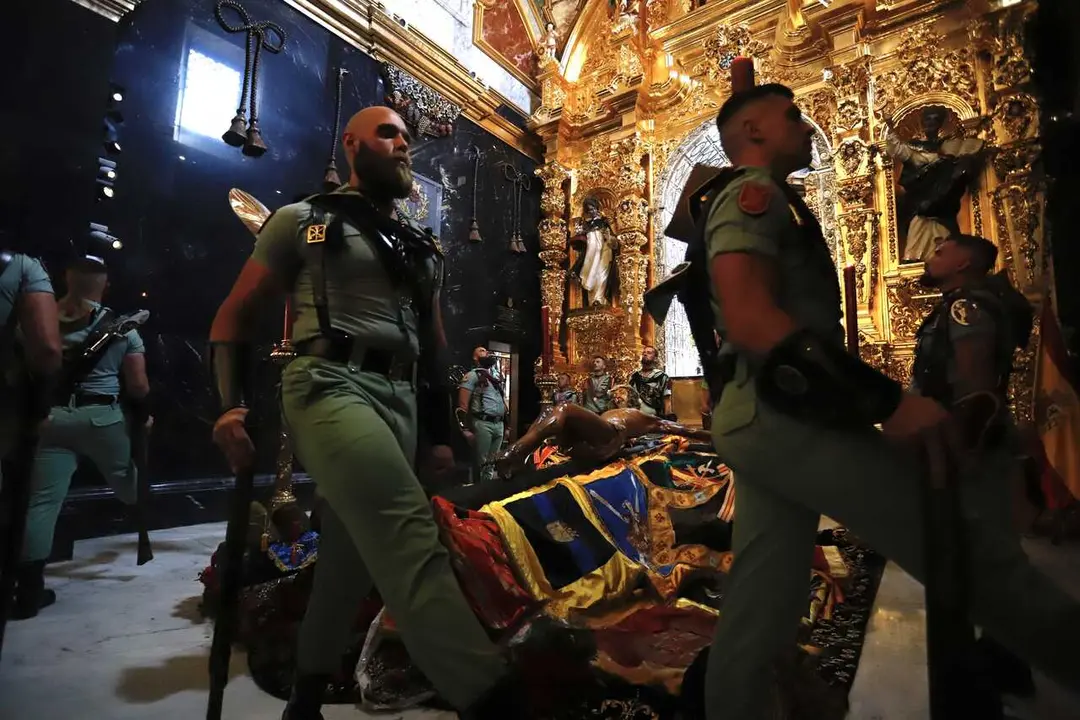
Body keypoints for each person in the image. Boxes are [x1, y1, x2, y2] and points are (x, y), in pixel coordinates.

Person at [668, 69, 1080, 719]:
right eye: (792, 115)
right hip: (788, 417)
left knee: (761, 606)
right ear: (752, 130)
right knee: (961, 552)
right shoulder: (753, 193)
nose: (806, 127)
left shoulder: (770, 196)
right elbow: (750, 321)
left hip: (766, 415)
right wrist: (888, 403)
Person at [209, 106, 534, 719]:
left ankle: (304, 696)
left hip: (404, 397)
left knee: (350, 559)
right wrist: (228, 406)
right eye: (388, 134)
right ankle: (493, 698)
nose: (404, 145)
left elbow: (435, 345)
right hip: (329, 383)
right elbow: (235, 314)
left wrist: (440, 433)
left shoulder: (420, 246)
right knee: (407, 531)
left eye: (408, 137)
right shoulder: (302, 221)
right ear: (351, 145)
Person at [911, 234, 1038, 705]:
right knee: (977, 549)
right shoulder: (964, 302)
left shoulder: (966, 307)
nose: (931, 255)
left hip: (969, 443)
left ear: (964, 263)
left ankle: (1005, 658)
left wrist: (959, 448)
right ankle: (1003, 656)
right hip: (965, 441)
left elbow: (974, 381)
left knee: (985, 550)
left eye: (941, 250)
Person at [14, 255, 150, 619]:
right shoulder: (124, 329)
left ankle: (28, 592)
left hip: (51, 419)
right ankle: (143, 519)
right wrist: (142, 418)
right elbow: (138, 386)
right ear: (104, 285)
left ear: (66, 279)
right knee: (127, 481)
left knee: (41, 503)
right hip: (102, 418)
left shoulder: (34, 321)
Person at [494, 392, 711, 478]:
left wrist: (717, 437)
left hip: (609, 439)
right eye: (615, 394)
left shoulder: (642, 417)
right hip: (584, 445)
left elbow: (684, 430)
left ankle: (515, 452)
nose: (617, 397)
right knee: (554, 413)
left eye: (622, 394)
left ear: (632, 401)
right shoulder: (603, 413)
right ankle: (519, 460)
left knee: (565, 408)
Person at [884, 106, 986, 263]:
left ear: (940, 123)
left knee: (944, 239)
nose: (931, 123)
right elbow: (900, 150)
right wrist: (890, 126)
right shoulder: (915, 147)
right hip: (920, 202)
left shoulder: (949, 147)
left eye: (935, 119)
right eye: (928, 119)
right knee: (918, 233)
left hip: (943, 203)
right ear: (923, 122)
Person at [457, 346, 508, 485]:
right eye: (482, 351)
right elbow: (462, 405)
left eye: (486, 350)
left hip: (499, 424)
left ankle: (487, 491)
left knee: (491, 463)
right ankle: (477, 493)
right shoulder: (472, 376)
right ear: (475, 358)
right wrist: (465, 429)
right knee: (481, 463)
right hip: (483, 424)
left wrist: (506, 423)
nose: (486, 352)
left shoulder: (494, 378)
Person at [569, 198, 618, 306]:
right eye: (589, 210)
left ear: (597, 208)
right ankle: (592, 303)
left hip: (605, 251)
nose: (592, 212)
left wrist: (608, 238)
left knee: (601, 275)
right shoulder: (586, 225)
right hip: (592, 254)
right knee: (592, 277)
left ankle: (600, 300)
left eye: (593, 209)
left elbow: (614, 240)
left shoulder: (604, 222)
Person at [629, 345, 672, 417]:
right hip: (636, 417)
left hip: (654, 417)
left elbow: (667, 399)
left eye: (649, 353)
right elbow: (630, 398)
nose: (645, 354)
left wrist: (668, 417)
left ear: (655, 358)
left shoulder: (662, 377)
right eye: (643, 353)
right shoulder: (635, 376)